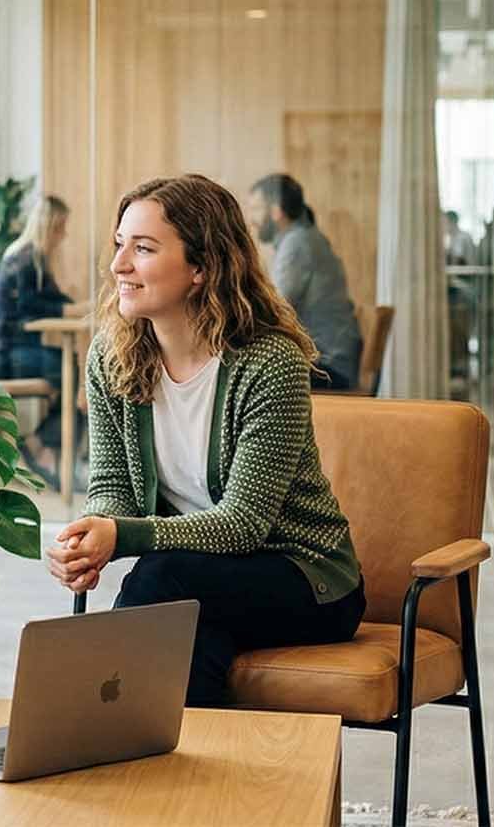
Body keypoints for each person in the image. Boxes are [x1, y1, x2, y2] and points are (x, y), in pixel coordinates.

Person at [44, 173, 366, 708]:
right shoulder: (110, 357)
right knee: (189, 644)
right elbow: (112, 484)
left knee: (162, 577)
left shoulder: (269, 364)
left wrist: (120, 536)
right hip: (198, 581)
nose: (118, 265)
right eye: (120, 244)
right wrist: (92, 530)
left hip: (306, 578)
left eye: (143, 249)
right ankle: (188, 785)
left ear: (201, 267)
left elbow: (243, 527)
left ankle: (90, 731)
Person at [0, 194, 79, 477]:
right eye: (60, 227)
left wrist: (72, 307)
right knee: (75, 373)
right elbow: (31, 306)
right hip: (5, 355)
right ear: (48, 226)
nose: (63, 234)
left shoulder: (32, 258)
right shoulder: (25, 258)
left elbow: (49, 298)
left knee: (75, 372)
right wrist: (70, 310)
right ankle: (41, 444)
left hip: (15, 350)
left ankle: (44, 446)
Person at [247, 174, 363, 390]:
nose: (251, 219)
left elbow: (273, 310)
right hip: (338, 362)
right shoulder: (306, 237)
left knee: (248, 377)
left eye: (256, 209)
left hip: (328, 368)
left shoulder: (297, 245)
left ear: (276, 210)